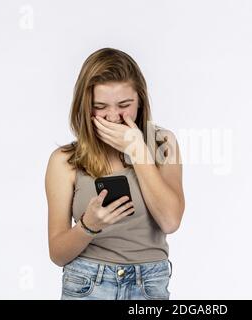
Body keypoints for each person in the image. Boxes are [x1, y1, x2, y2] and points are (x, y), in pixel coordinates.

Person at [44, 47, 185, 300]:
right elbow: (58, 253)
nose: (112, 116)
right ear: (86, 106)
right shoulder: (64, 161)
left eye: (124, 105)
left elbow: (170, 221)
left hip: (149, 284)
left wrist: (138, 150)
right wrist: (88, 226)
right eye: (100, 106)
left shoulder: (164, 144)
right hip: (88, 282)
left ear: (140, 101)